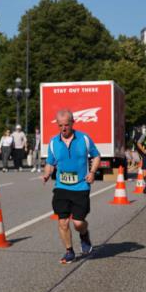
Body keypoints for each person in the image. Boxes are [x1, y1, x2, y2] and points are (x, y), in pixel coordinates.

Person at [42, 110, 100, 263]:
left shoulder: (84, 139)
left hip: (81, 187)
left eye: (66, 125)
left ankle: (84, 235)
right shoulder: (54, 142)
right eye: (60, 125)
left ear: (73, 122)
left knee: (78, 223)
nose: (64, 128)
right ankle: (69, 251)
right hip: (62, 186)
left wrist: (93, 172)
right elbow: (50, 162)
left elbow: (96, 156)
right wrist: (47, 174)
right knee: (62, 221)